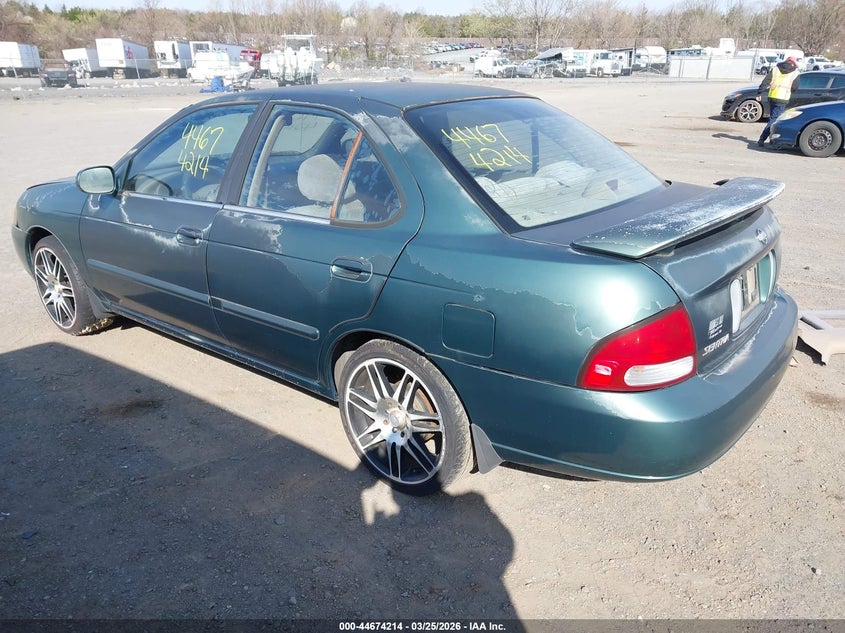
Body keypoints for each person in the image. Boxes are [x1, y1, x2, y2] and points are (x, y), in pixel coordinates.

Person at [756, 56, 800, 147]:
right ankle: (762, 138)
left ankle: (772, 139)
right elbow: (795, 88)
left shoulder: (776, 69)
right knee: (774, 120)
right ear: (794, 63)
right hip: (783, 98)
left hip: (772, 96)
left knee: (772, 118)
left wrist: (759, 93)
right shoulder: (795, 73)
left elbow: (766, 81)